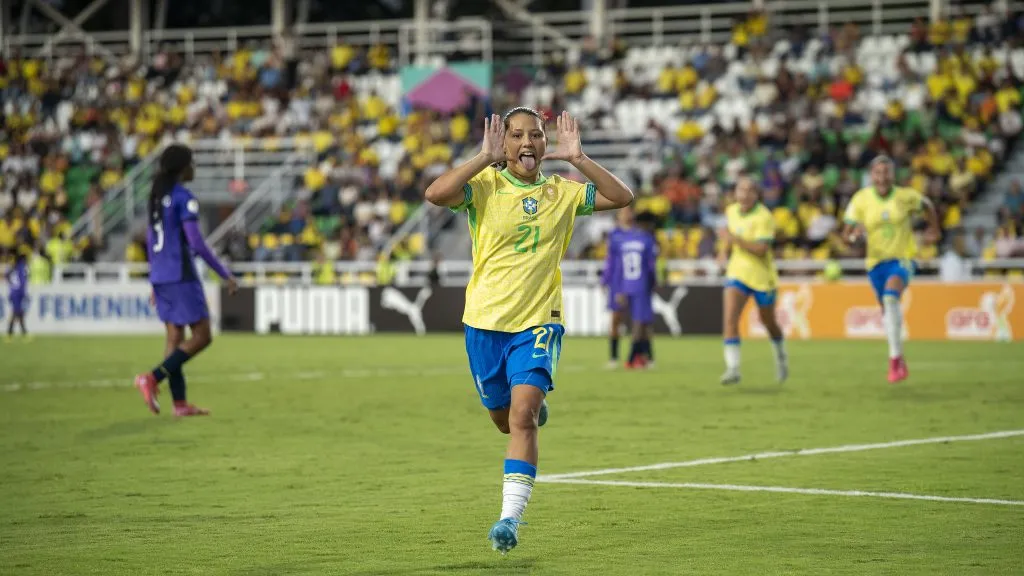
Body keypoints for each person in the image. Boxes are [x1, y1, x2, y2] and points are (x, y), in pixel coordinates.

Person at [424, 108, 633, 554]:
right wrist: (483, 157)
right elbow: (435, 194)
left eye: (535, 135)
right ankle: (524, 407)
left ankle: (508, 520)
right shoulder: (484, 187)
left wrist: (579, 158)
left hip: (539, 322)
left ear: (544, 143)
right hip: (484, 323)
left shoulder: (562, 192)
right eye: (516, 135)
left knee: (522, 417)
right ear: (505, 143)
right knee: (503, 420)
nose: (527, 143)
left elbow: (623, 197)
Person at [134, 144, 238, 417]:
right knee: (202, 336)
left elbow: (151, 239)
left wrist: (155, 279)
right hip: (180, 275)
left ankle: (179, 404)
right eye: (192, 163)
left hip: (162, 275)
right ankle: (153, 378)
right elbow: (196, 243)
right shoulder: (184, 198)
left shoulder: (157, 196)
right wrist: (224, 273)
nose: (195, 168)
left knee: (175, 337)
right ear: (183, 167)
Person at [842, 155, 940, 383]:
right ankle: (899, 357)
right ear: (871, 175)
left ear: (893, 175)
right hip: (875, 263)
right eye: (878, 173)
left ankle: (894, 362)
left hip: (902, 258)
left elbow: (928, 205)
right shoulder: (861, 199)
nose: (882, 177)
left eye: (886, 172)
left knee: (890, 296)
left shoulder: (905, 196)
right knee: (887, 311)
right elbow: (846, 234)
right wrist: (854, 237)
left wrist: (933, 229)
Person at [718, 175, 788, 385]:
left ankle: (780, 354)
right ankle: (733, 369)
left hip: (762, 278)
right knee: (730, 318)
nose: (745, 195)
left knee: (768, 322)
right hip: (737, 274)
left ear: (756, 194)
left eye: (749, 191)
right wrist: (723, 252)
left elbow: (761, 249)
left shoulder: (764, 217)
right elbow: (729, 238)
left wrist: (735, 241)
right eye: (741, 190)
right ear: (735, 193)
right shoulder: (731, 211)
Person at [605, 206, 659, 369]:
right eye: (624, 212)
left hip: (630, 280)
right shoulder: (615, 235)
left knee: (642, 321)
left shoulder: (639, 235)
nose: (628, 214)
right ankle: (614, 357)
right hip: (618, 281)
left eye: (630, 211)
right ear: (618, 216)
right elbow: (611, 261)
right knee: (617, 318)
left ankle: (645, 355)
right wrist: (606, 280)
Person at [4, 248, 30, 342]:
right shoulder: (21, 267)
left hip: (13, 292)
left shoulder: (12, 268)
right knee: (16, 313)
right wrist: (24, 293)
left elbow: (7, 276)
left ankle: (22, 334)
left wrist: (11, 286)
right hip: (17, 293)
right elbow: (23, 282)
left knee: (19, 313)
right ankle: (11, 334)